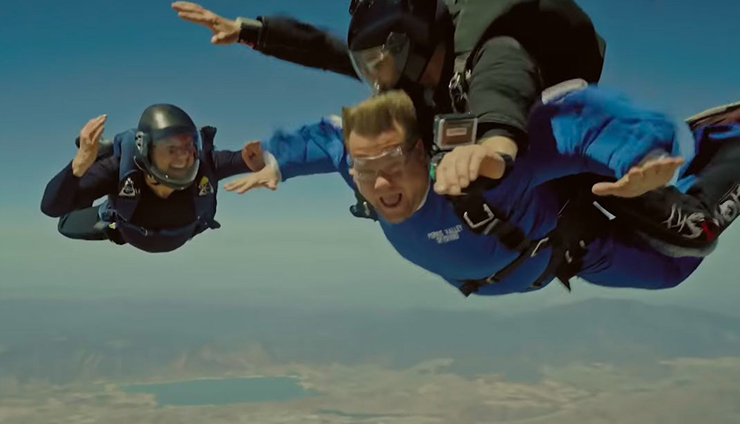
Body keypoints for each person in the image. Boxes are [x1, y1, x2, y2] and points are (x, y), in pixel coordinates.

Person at [171, 0, 722, 252]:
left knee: (686, 237)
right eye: (370, 69)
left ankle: (715, 173)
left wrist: (499, 142)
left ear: (412, 44)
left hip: (537, 135)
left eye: (380, 65)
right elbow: (329, 50)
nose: (375, 82)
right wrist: (250, 30)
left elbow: (502, 86)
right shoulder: (403, 71)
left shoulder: (493, 47)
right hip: (507, 162)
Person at [223, 86, 740, 296]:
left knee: (685, 249)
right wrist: (277, 162)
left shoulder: (483, 173)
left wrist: (640, 160)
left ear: (424, 153)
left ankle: (727, 141)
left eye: (394, 162)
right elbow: (324, 135)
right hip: (538, 260)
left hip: (576, 239)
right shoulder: (358, 162)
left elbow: (577, 122)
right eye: (364, 168)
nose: (379, 182)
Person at [40, 104, 265, 253]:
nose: (183, 156)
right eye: (171, 148)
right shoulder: (118, 170)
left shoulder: (206, 165)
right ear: (146, 150)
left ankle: (94, 164)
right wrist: (79, 166)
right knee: (66, 220)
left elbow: (247, 159)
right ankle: (95, 163)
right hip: (119, 228)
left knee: (79, 192)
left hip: (172, 233)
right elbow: (52, 207)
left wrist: (262, 159)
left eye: (189, 146)